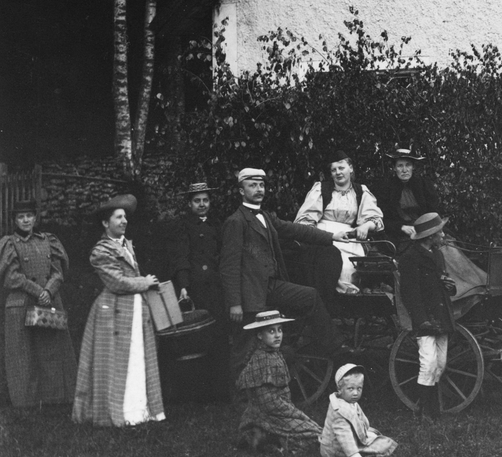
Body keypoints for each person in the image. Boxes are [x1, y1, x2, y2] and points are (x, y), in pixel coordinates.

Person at [219, 167, 348, 372]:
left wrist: (331, 236)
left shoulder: (265, 216)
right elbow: (229, 266)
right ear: (242, 191)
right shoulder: (236, 221)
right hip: (250, 293)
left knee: (310, 296)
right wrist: (235, 303)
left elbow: (296, 230)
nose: (259, 189)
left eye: (261, 185)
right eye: (252, 185)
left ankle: (336, 348)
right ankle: (238, 390)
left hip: (271, 286)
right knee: (243, 348)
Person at [72, 194, 166, 427]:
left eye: (125, 217)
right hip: (112, 312)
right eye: (118, 217)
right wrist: (145, 282)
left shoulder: (126, 245)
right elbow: (116, 282)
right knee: (116, 361)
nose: (124, 221)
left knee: (137, 357)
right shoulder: (100, 251)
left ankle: (139, 411)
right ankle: (119, 412)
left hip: (134, 309)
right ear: (106, 223)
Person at [376, 147, 486, 298]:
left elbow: (433, 211)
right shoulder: (385, 188)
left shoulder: (423, 184)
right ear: (394, 168)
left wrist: (430, 230)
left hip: (427, 229)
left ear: (413, 167)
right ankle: (447, 295)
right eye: (400, 166)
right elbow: (382, 218)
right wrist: (401, 227)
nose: (404, 170)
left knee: (448, 247)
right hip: (401, 235)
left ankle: (472, 288)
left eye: (408, 165)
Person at [0, 199, 76, 408]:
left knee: (51, 347)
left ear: (35, 218)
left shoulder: (48, 240)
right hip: (21, 303)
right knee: (22, 353)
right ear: (15, 220)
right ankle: (26, 401)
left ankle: (55, 397)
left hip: (47, 302)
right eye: (20, 217)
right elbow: (11, 277)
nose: (25, 220)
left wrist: (49, 290)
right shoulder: (9, 243)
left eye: (29, 216)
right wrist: (37, 291)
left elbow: (58, 272)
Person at [294, 152, 384, 298]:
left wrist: (365, 226)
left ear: (351, 168)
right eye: (334, 170)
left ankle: (349, 297)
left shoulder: (360, 191)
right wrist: (315, 237)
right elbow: (305, 220)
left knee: (351, 266)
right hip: (325, 237)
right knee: (331, 263)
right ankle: (332, 298)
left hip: (350, 238)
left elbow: (375, 219)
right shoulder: (321, 189)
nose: (338, 172)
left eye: (341, 168)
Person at [396, 213, 455, 420]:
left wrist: (449, 286)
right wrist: (422, 320)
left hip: (441, 314)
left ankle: (430, 407)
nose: (443, 235)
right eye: (440, 232)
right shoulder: (410, 258)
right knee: (428, 363)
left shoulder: (437, 254)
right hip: (425, 318)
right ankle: (425, 412)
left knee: (441, 364)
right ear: (430, 236)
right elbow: (410, 293)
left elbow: (442, 282)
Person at [235, 310, 321, 452]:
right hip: (267, 416)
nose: (277, 335)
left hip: (279, 411)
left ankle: (271, 441)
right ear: (260, 335)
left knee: (313, 430)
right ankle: (265, 439)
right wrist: (295, 414)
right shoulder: (261, 359)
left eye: (279, 330)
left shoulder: (274, 355)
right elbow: (267, 402)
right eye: (271, 331)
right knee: (312, 436)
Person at [165, 181, 225, 322]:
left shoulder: (216, 225)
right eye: (197, 201)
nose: (202, 204)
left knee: (219, 322)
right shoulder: (183, 226)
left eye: (205, 200)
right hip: (195, 285)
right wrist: (183, 286)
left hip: (216, 284)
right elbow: (181, 257)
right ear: (189, 203)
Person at [319, 362, 398, 457]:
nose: (355, 393)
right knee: (385, 444)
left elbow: (358, 418)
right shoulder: (339, 411)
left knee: (374, 435)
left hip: (345, 441)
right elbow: (344, 437)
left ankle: (367, 443)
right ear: (340, 389)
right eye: (350, 389)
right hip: (336, 450)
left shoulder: (348, 400)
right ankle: (363, 455)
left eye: (359, 388)